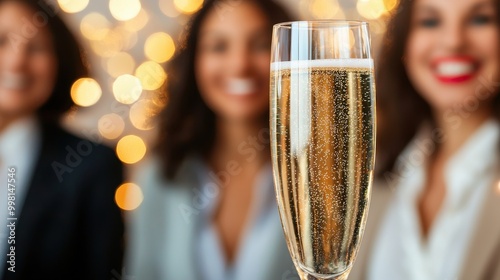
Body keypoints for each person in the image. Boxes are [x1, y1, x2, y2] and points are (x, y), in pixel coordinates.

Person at [126, 0, 297, 279]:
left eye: (262, 45)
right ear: (194, 62)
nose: (240, 65)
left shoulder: (321, 177)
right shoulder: (161, 174)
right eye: (219, 47)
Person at [349, 0, 500, 279]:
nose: (454, 41)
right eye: (430, 21)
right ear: (405, 42)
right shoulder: (378, 174)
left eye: (480, 20)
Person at [0, 0, 125, 279]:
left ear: (59, 62)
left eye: (36, 48)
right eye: (1, 41)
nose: (16, 60)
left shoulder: (92, 165)